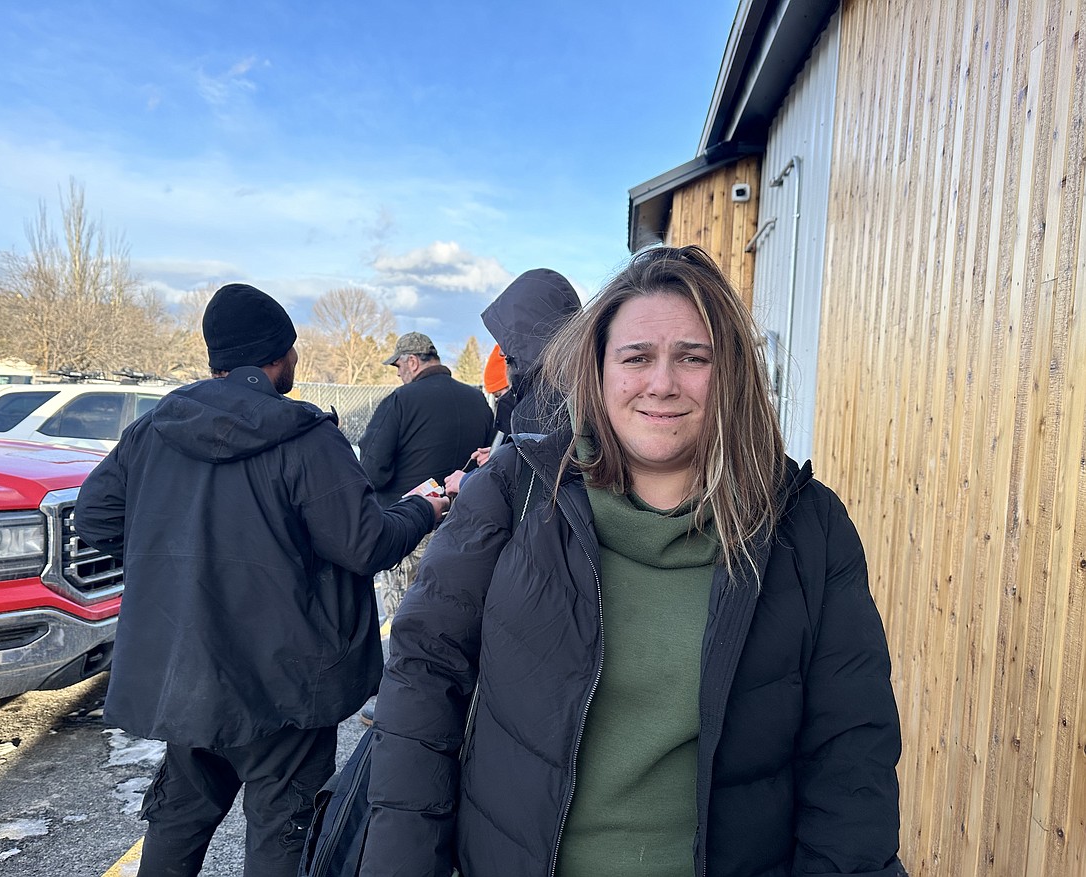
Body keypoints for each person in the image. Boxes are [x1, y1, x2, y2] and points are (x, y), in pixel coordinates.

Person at [361, 246, 905, 876]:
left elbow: (851, 752)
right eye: (636, 357)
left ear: (729, 372)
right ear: (598, 371)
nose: (662, 382)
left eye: (692, 358)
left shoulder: (805, 526)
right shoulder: (516, 492)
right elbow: (425, 677)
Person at [74, 283, 447, 877]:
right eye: (294, 349)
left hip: (189, 669)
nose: (297, 361)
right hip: (286, 685)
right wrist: (426, 508)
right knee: (282, 832)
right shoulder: (305, 436)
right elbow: (365, 543)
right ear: (277, 355)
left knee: (178, 819)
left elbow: (95, 518)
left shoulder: (156, 428)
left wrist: (172, 556)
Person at [443, 268, 581, 497]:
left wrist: (468, 481)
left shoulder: (542, 405)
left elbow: (530, 494)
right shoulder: (580, 385)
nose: (502, 354)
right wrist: (503, 454)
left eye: (507, 348)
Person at [358, 331, 494, 507]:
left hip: (408, 519)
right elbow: (488, 458)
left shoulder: (401, 400)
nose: (398, 374)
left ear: (413, 362)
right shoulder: (477, 399)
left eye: (398, 366)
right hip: (463, 515)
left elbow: (372, 471)